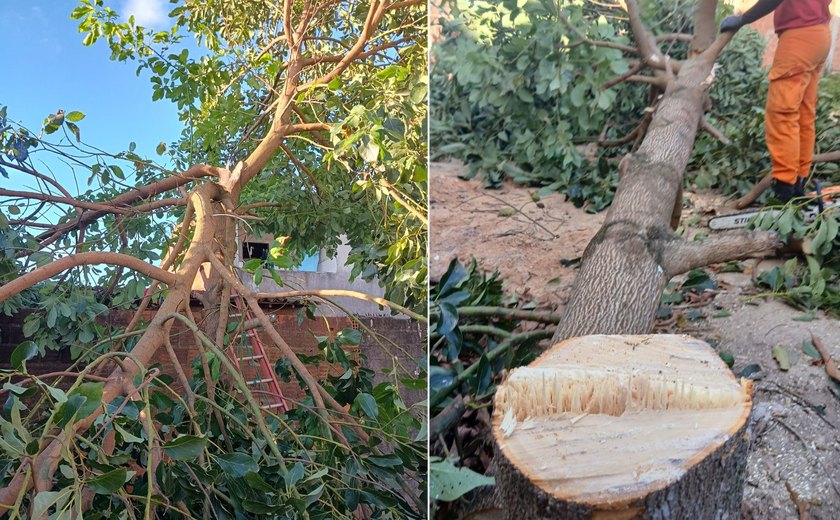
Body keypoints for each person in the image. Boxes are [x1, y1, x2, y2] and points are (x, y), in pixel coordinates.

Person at [720, 0, 832, 203]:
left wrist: (744, 19)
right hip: (820, 34)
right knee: (804, 114)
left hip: (800, 35)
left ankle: (785, 190)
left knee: (782, 114)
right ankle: (798, 184)